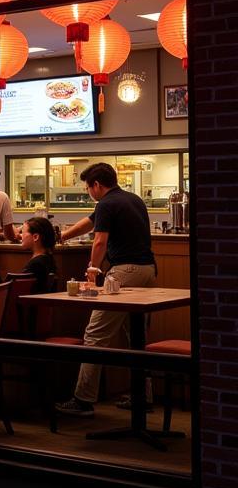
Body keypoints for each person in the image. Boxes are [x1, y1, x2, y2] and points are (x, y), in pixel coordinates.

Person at [55, 162, 157, 417]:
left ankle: (83, 399)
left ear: (97, 185)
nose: (89, 193)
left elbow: (100, 241)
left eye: (88, 188)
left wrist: (92, 269)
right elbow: (89, 224)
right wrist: (63, 236)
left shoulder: (107, 204)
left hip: (124, 272)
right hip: (147, 271)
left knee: (95, 333)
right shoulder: (131, 200)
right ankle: (142, 396)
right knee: (137, 336)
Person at [20, 216, 57, 291]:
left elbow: (21, 291)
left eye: (23, 233)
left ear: (35, 237)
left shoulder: (36, 265)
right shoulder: (48, 259)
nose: (21, 236)